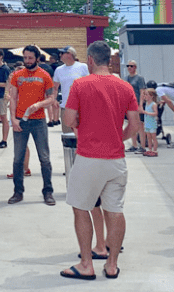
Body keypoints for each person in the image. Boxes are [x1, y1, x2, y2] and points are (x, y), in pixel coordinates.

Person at [60, 40, 141, 280]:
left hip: (88, 157)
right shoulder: (125, 86)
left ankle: (86, 264)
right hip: (116, 159)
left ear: (91, 60)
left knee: (81, 208)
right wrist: (119, 137)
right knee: (115, 210)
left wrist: (79, 126)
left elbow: (69, 118)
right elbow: (135, 125)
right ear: (110, 60)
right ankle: (112, 264)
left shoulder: (80, 85)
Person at [7, 45, 56, 206]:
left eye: (30, 58)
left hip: (39, 120)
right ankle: (18, 192)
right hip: (21, 120)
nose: (27, 61)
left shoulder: (45, 76)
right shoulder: (17, 75)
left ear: (37, 58)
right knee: (18, 159)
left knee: (45, 158)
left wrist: (39, 104)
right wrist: (13, 119)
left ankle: (48, 192)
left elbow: (51, 98)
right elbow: (12, 97)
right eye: (25, 58)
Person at [53, 46, 89, 136]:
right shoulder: (59, 70)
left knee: (84, 135)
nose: (59, 55)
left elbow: (90, 84)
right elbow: (55, 87)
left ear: (70, 54)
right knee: (68, 136)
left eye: (62, 53)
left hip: (82, 106)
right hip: (66, 107)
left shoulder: (83, 67)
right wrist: (54, 99)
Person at [124, 60, 147, 153]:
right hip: (129, 105)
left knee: (140, 125)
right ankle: (134, 145)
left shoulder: (139, 78)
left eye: (132, 66)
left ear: (135, 67)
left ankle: (143, 146)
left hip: (137, 104)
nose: (129, 67)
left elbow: (142, 92)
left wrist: (141, 105)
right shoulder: (126, 78)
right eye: (128, 66)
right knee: (132, 124)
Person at [140, 88, 159, 157]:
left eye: (146, 95)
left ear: (151, 96)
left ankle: (155, 150)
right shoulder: (146, 104)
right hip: (147, 123)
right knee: (148, 137)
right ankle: (149, 149)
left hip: (152, 123)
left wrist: (146, 113)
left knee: (153, 137)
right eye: (145, 95)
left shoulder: (153, 104)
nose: (145, 96)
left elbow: (155, 113)